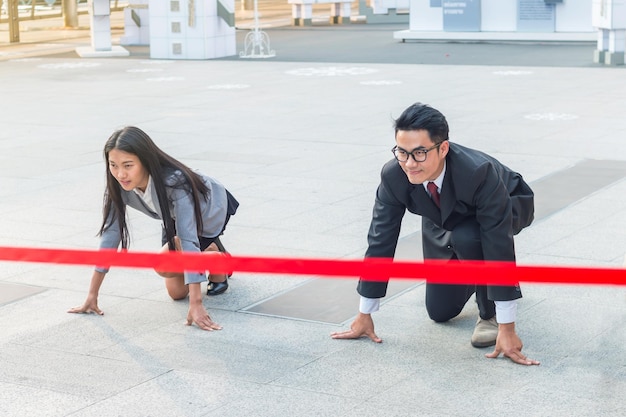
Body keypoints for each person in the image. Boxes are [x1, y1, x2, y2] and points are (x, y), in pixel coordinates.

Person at [331, 103, 539, 366]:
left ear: (443, 148)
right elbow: (381, 238)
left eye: (419, 153)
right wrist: (364, 313)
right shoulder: (394, 176)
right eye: (402, 152)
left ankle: (489, 314)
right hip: (443, 215)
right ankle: (473, 273)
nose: (409, 163)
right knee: (440, 312)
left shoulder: (479, 172)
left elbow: (498, 242)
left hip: (505, 202)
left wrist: (507, 327)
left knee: (469, 237)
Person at [68, 126, 238, 331]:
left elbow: (188, 238)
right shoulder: (119, 185)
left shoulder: (175, 183)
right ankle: (210, 252)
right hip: (174, 218)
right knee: (176, 292)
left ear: (145, 161)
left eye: (128, 165)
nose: (120, 173)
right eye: (113, 165)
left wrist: (197, 305)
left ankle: (219, 262)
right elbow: (111, 235)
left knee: (162, 264)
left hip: (208, 209)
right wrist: (92, 295)